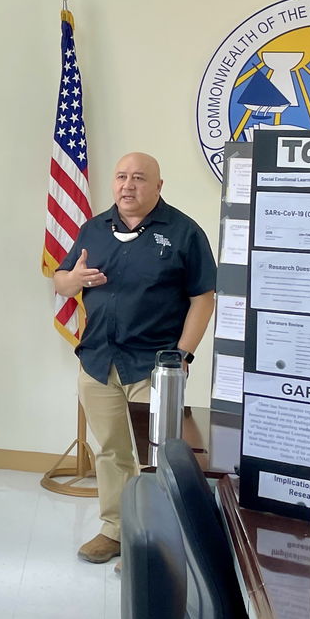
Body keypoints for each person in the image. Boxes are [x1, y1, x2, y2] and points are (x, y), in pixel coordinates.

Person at [53, 151, 215, 564]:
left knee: (159, 457)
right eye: (121, 176)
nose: (128, 185)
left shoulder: (184, 233)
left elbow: (203, 298)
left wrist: (182, 355)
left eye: (139, 178)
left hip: (154, 366)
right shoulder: (94, 229)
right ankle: (116, 530)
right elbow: (62, 282)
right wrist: (73, 278)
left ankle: (159, 541)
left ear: (158, 186)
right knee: (111, 451)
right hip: (98, 361)